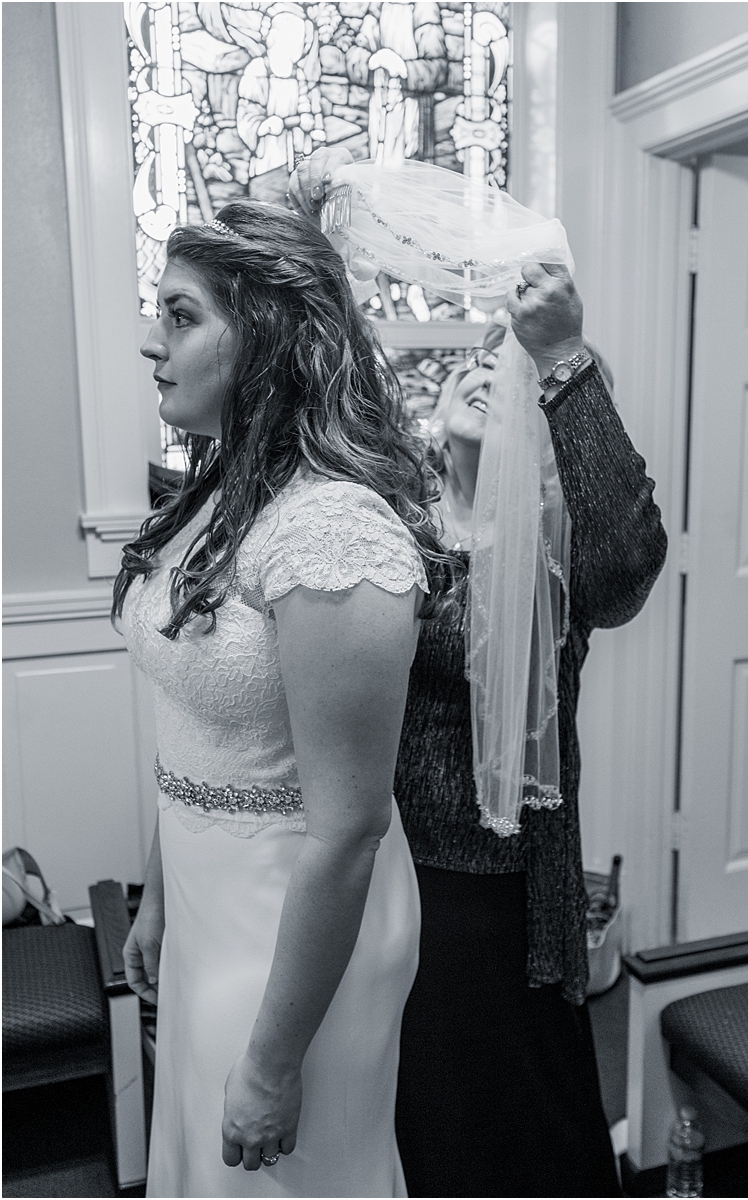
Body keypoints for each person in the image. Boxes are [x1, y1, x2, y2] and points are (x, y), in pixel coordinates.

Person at [291, 150, 668, 1198]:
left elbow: (631, 563)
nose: (479, 368)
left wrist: (564, 358)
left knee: (521, 1127)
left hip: (507, 897)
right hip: (392, 875)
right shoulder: (390, 525)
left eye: (504, 366)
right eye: (474, 358)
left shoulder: (553, 555)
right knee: (414, 1120)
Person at [113, 200, 450, 1198]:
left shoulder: (334, 536)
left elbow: (346, 830)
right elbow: (201, 723)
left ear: (262, 334)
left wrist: (272, 1060)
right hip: (210, 900)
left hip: (297, 929)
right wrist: (161, 891)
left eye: (181, 316)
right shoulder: (215, 493)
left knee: (278, 1177)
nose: (150, 342)